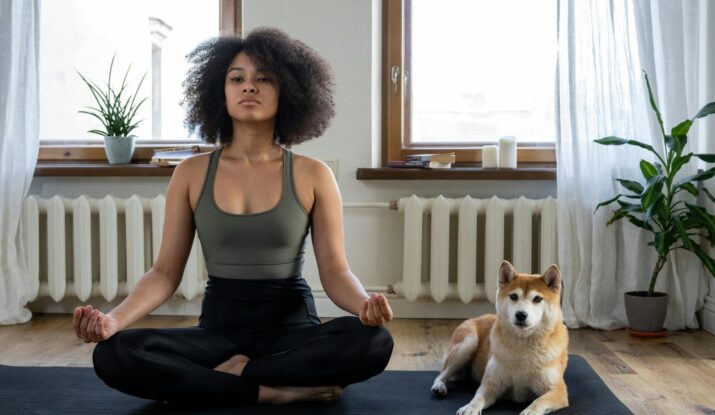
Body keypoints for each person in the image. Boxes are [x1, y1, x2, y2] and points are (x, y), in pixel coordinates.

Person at [72, 27, 394, 406]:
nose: (249, 87)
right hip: (219, 333)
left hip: (291, 331)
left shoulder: (313, 174)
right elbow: (163, 273)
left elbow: (336, 271)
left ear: (287, 90)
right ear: (219, 93)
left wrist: (363, 307)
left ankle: (229, 379)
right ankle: (268, 391)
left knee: (374, 342)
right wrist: (113, 321)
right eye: (236, 78)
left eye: (264, 78)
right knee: (115, 353)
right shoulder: (190, 173)